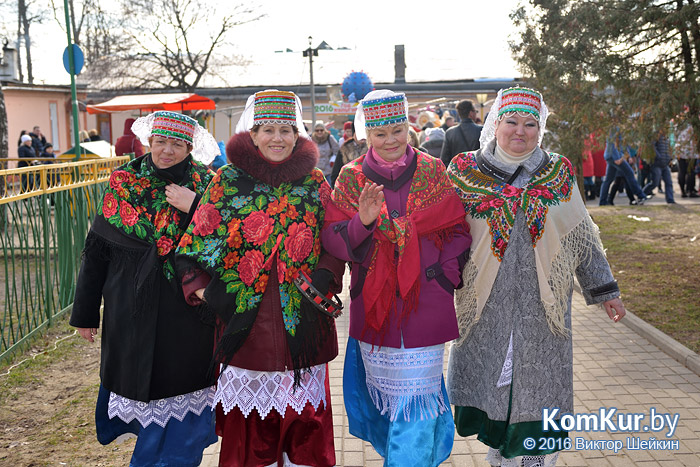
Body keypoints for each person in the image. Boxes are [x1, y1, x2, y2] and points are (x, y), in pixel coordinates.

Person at [446, 86, 628, 466]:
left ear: (540, 129)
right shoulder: (464, 170)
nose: (519, 131)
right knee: (492, 383)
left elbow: (580, 233)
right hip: (484, 303)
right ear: (495, 124)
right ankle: (500, 452)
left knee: (537, 386)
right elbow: (441, 232)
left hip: (542, 306)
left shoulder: (557, 171)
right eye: (511, 121)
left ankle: (533, 458)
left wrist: (605, 289)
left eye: (530, 124)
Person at [175, 90, 345, 467]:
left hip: (303, 325)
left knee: (307, 428)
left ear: (297, 133)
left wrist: (324, 278)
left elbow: (335, 241)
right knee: (251, 435)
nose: (278, 138)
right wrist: (204, 291)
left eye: (286, 129)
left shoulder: (314, 181)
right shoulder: (227, 181)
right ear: (252, 134)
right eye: (268, 129)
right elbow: (193, 245)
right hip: (245, 328)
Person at [323, 89, 472, 466]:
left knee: (415, 402)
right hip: (376, 306)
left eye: (396, 130)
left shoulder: (432, 170)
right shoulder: (351, 177)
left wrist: (444, 274)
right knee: (385, 406)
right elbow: (333, 239)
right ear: (366, 135)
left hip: (426, 301)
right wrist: (364, 222)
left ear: (408, 128)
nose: (390, 140)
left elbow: (457, 230)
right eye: (380, 133)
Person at [69, 111, 219, 466]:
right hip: (130, 307)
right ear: (149, 142)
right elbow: (96, 252)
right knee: (143, 397)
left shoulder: (209, 185)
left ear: (189, 146)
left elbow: (227, 239)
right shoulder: (124, 184)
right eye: (160, 142)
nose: (167, 151)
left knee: (185, 398)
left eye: (177, 144)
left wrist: (196, 205)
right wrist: (85, 314)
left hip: (188, 313)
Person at [599, 130, 648, 205]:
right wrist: (617, 158)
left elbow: (624, 144)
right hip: (615, 157)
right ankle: (640, 195)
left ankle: (603, 201)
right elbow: (612, 143)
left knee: (608, 180)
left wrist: (628, 155)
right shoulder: (615, 127)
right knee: (629, 173)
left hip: (613, 156)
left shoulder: (620, 127)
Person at [440, 99, 482, 165]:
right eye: (475, 111)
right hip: (476, 172)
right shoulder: (481, 130)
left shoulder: (450, 133)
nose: (476, 113)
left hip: (456, 172)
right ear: (471, 113)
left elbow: (444, 159)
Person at [330, 121, 368, 187]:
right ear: (353, 134)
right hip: (348, 188)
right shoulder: (344, 149)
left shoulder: (372, 148)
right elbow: (336, 172)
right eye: (359, 133)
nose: (362, 136)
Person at [643, 131, 676, 203]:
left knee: (669, 182)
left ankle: (670, 200)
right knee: (655, 183)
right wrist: (658, 156)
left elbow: (669, 148)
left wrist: (670, 157)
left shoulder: (667, 138)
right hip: (657, 164)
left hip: (665, 164)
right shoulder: (655, 136)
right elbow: (652, 147)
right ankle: (642, 195)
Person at [675, 121, 699, 197]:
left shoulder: (679, 123)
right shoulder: (695, 124)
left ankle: (683, 191)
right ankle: (690, 191)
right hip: (691, 152)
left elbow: (675, 136)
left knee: (682, 172)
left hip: (680, 150)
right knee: (690, 172)